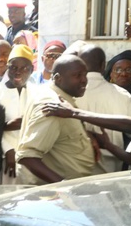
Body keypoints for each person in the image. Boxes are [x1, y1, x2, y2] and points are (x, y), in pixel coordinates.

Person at [16, 55, 96, 184]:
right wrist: (63, 186)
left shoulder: (59, 98)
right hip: (55, 197)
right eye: (77, 75)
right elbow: (27, 156)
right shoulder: (53, 107)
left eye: (85, 75)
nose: (84, 80)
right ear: (58, 78)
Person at [74, 45, 131, 173]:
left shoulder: (69, 93)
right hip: (111, 174)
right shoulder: (123, 95)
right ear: (104, 65)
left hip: (76, 171)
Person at [0, 45, 37, 183]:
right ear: (8, 68)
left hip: (33, 158)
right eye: (14, 67)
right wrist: (8, 150)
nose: (18, 72)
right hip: (3, 159)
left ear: (31, 70)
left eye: (24, 68)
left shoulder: (37, 93)